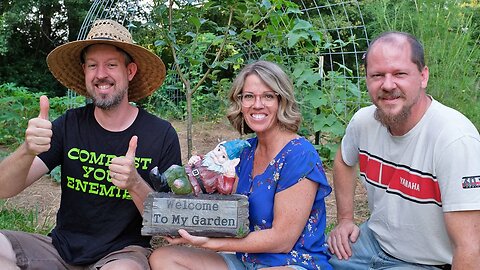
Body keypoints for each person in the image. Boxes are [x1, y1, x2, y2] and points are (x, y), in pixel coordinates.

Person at [0, 19, 182, 269]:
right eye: (93, 65)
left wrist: (134, 183)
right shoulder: (68, 125)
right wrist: (27, 149)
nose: (101, 74)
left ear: (130, 71)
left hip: (121, 255)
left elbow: (171, 222)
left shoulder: (161, 134)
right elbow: (4, 189)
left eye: (111, 65)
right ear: (84, 71)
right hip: (60, 250)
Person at [148, 60, 333, 270]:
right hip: (248, 261)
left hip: (292, 262)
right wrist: (185, 222)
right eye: (249, 96)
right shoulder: (244, 151)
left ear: (282, 101)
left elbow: (283, 240)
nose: (257, 104)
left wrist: (211, 243)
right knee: (164, 258)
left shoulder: (300, 154)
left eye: (268, 96)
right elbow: (220, 205)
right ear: (240, 103)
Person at [327, 31, 480, 269]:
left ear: (423, 76)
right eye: (377, 75)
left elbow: (471, 247)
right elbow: (344, 161)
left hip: (426, 263)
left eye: (399, 73)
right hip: (372, 243)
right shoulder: (364, 122)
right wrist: (345, 219)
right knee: (311, 259)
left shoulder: (454, 139)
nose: (388, 85)